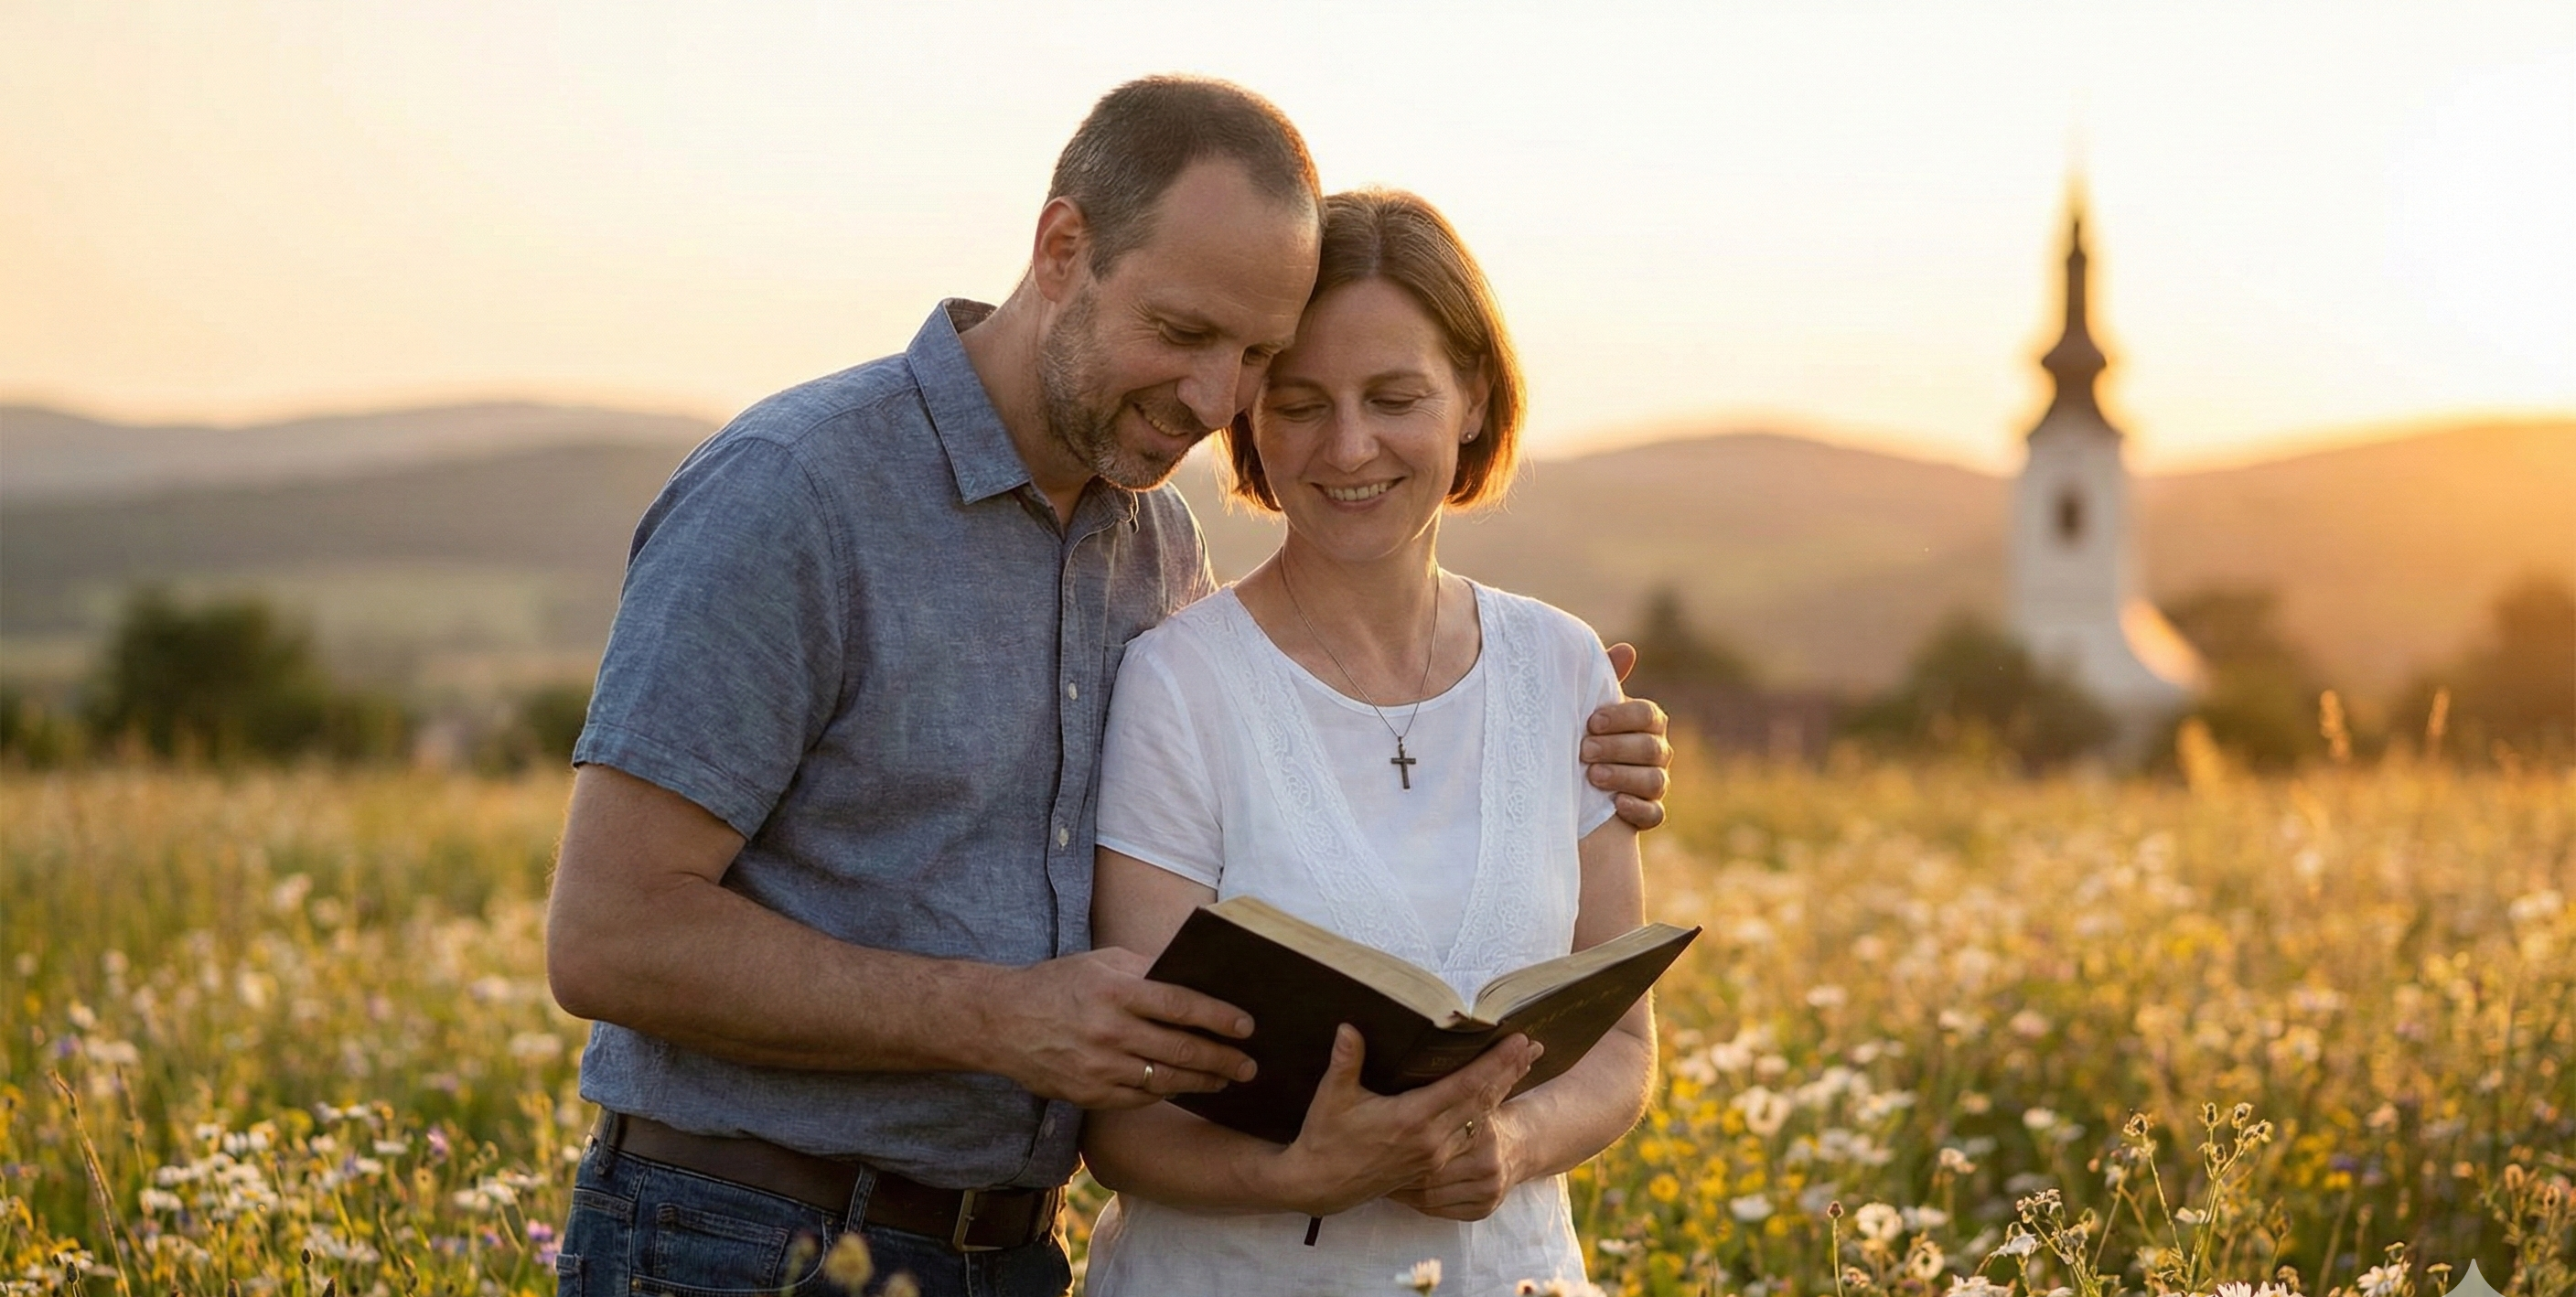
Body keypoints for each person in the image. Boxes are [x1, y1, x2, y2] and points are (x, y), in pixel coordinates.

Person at [542, 78, 1673, 1297]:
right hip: (744, 1234)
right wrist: (998, 1016)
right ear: (1062, 247)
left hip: (1007, 1252)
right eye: (1186, 333)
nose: (1210, 402)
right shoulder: (796, 492)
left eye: (1249, 356)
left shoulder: (1153, 547)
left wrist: (1564, 740)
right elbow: (608, 935)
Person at [1080, 188, 1658, 1295]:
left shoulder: (1563, 666)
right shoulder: (1179, 683)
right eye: (1298, 403)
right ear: (1249, 412)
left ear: (1474, 398)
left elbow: (1623, 1055)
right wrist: (1301, 1171)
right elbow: (1122, 1120)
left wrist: (1510, 1146)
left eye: (1394, 396)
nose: (1348, 447)